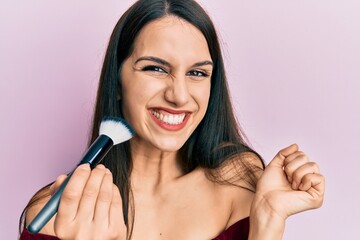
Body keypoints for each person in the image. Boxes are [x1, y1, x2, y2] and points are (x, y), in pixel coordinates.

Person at [19, 0, 325, 239]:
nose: (179, 95)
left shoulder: (240, 181)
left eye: (197, 73)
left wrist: (269, 221)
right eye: (155, 68)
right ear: (118, 81)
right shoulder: (59, 210)